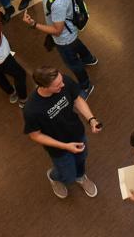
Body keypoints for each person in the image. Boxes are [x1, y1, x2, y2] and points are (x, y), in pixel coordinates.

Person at [23, 65, 102, 199]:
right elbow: (35, 135)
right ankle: (54, 177)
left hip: (77, 134)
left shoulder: (63, 81)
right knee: (67, 175)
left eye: (61, 80)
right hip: (59, 147)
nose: (63, 84)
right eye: (58, 85)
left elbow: (77, 99)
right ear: (44, 86)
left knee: (81, 159)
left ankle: (81, 177)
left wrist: (91, 119)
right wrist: (65, 146)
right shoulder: (31, 109)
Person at [23, 0, 98, 98]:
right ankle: (89, 58)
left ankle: (86, 85)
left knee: (73, 63)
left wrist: (34, 24)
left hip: (63, 37)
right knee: (76, 43)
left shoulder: (58, 3)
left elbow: (57, 30)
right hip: (71, 32)